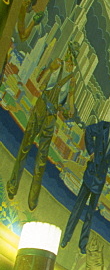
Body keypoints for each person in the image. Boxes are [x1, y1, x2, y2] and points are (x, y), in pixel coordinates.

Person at [7, 43, 77, 210]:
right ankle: (13, 184)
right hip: (40, 108)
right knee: (25, 146)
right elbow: (40, 82)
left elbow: (71, 103)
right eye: (69, 55)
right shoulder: (56, 65)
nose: (69, 60)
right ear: (67, 54)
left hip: (51, 117)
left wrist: (69, 112)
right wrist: (50, 70)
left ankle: (33, 199)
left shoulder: (72, 80)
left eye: (73, 58)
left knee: (42, 160)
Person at [61, 106, 110, 253]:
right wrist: (91, 152)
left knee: (90, 214)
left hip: (100, 180)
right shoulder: (103, 126)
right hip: (91, 173)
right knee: (78, 207)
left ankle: (82, 244)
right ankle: (66, 237)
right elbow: (88, 131)